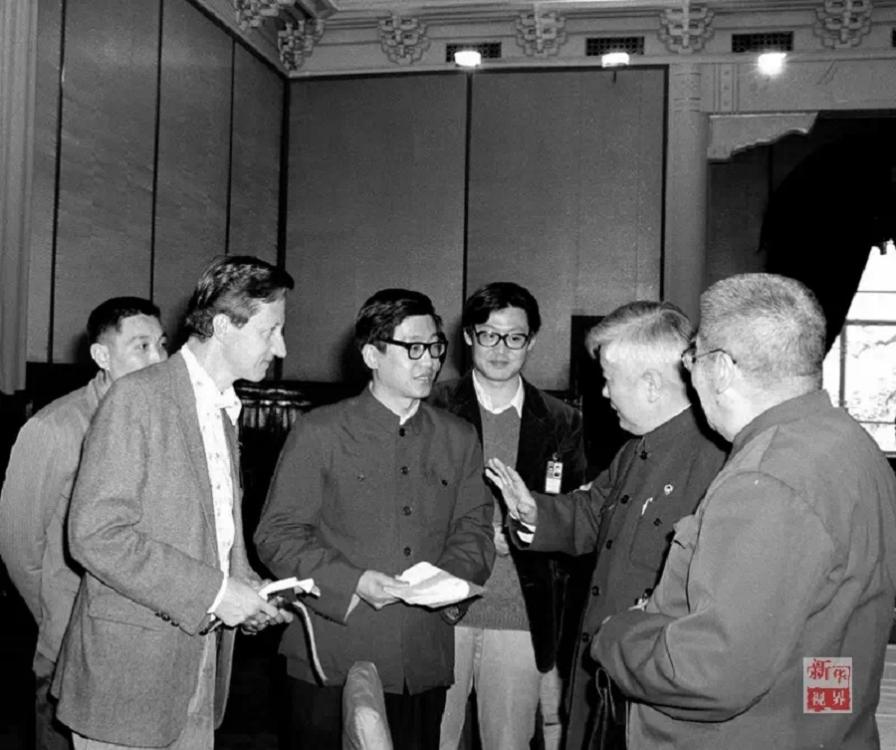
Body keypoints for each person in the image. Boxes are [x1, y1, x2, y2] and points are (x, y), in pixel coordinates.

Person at [589, 273, 896, 749]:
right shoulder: (851, 445)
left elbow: (709, 672)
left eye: (692, 359)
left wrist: (619, 635)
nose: (690, 375)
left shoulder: (767, 480)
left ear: (721, 368)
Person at [52, 256, 295, 750]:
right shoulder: (138, 398)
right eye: (270, 331)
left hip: (198, 663)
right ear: (223, 327)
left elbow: (210, 527)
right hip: (128, 679)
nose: (281, 347)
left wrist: (245, 585)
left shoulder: (223, 408)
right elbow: (95, 536)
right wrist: (217, 593)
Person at [254, 288, 495, 750]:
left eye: (436, 347)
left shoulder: (459, 437)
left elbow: (475, 529)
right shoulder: (320, 431)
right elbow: (277, 535)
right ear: (371, 355)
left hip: (420, 660)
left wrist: (447, 583)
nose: (430, 361)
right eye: (414, 348)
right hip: (330, 654)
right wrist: (354, 581)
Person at [485, 301, 726, 750]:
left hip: (649, 696)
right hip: (608, 680)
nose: (603, 392)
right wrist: (533, 512)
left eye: (609, 378)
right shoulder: (635, 450)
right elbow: (593, 512)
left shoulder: (714, 460)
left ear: (651, 384)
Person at [0, 297, 168, 750]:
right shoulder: (54, 428)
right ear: (101, 355)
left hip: (147, 648)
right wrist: (59, 616)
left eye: (162, 344)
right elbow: (18, 547)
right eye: (141, 346)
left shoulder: (164, 424)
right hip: (71, 651)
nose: (159, 359)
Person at [429, 282, 587, 750]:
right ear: (468, 337)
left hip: (521, 612)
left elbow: (576, 517)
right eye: (488, 335)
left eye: (514, 337)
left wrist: (526, 531)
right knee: (433, 737)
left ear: (532, 340)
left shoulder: (562, 420)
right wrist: (479, 536)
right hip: (440, 608)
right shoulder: (433, 407)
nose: (501, 349)